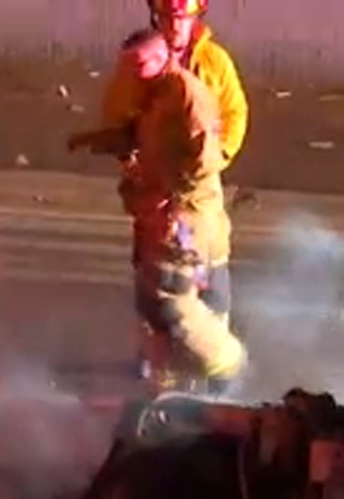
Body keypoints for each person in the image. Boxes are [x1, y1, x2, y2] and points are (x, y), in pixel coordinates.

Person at [71, 29, 245, 392]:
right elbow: (138, 134)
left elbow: (205, 158)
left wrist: (175, 198)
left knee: (172, 301)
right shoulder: (155, 93)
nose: (133, 72)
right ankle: (172, 381)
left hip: (189, 216)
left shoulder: (187, 95)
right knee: (166, 298)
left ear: (161, 58)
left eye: (139, 64)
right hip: (167, 212)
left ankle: (226, 366)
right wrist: (94, 141)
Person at [104, 0, 248, 318]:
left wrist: (219, 155)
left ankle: (213, 341)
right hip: (155, 180)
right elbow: (115, 113)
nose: (174, 26)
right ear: (156, 17)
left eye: (181, 18)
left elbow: (235, 112)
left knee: (210, 263)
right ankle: (155, 357)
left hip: (199, 185)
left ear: (195, 18)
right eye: (166, 18)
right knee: (155, 277)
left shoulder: (215, 62)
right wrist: (130, 157)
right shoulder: (139, 61)